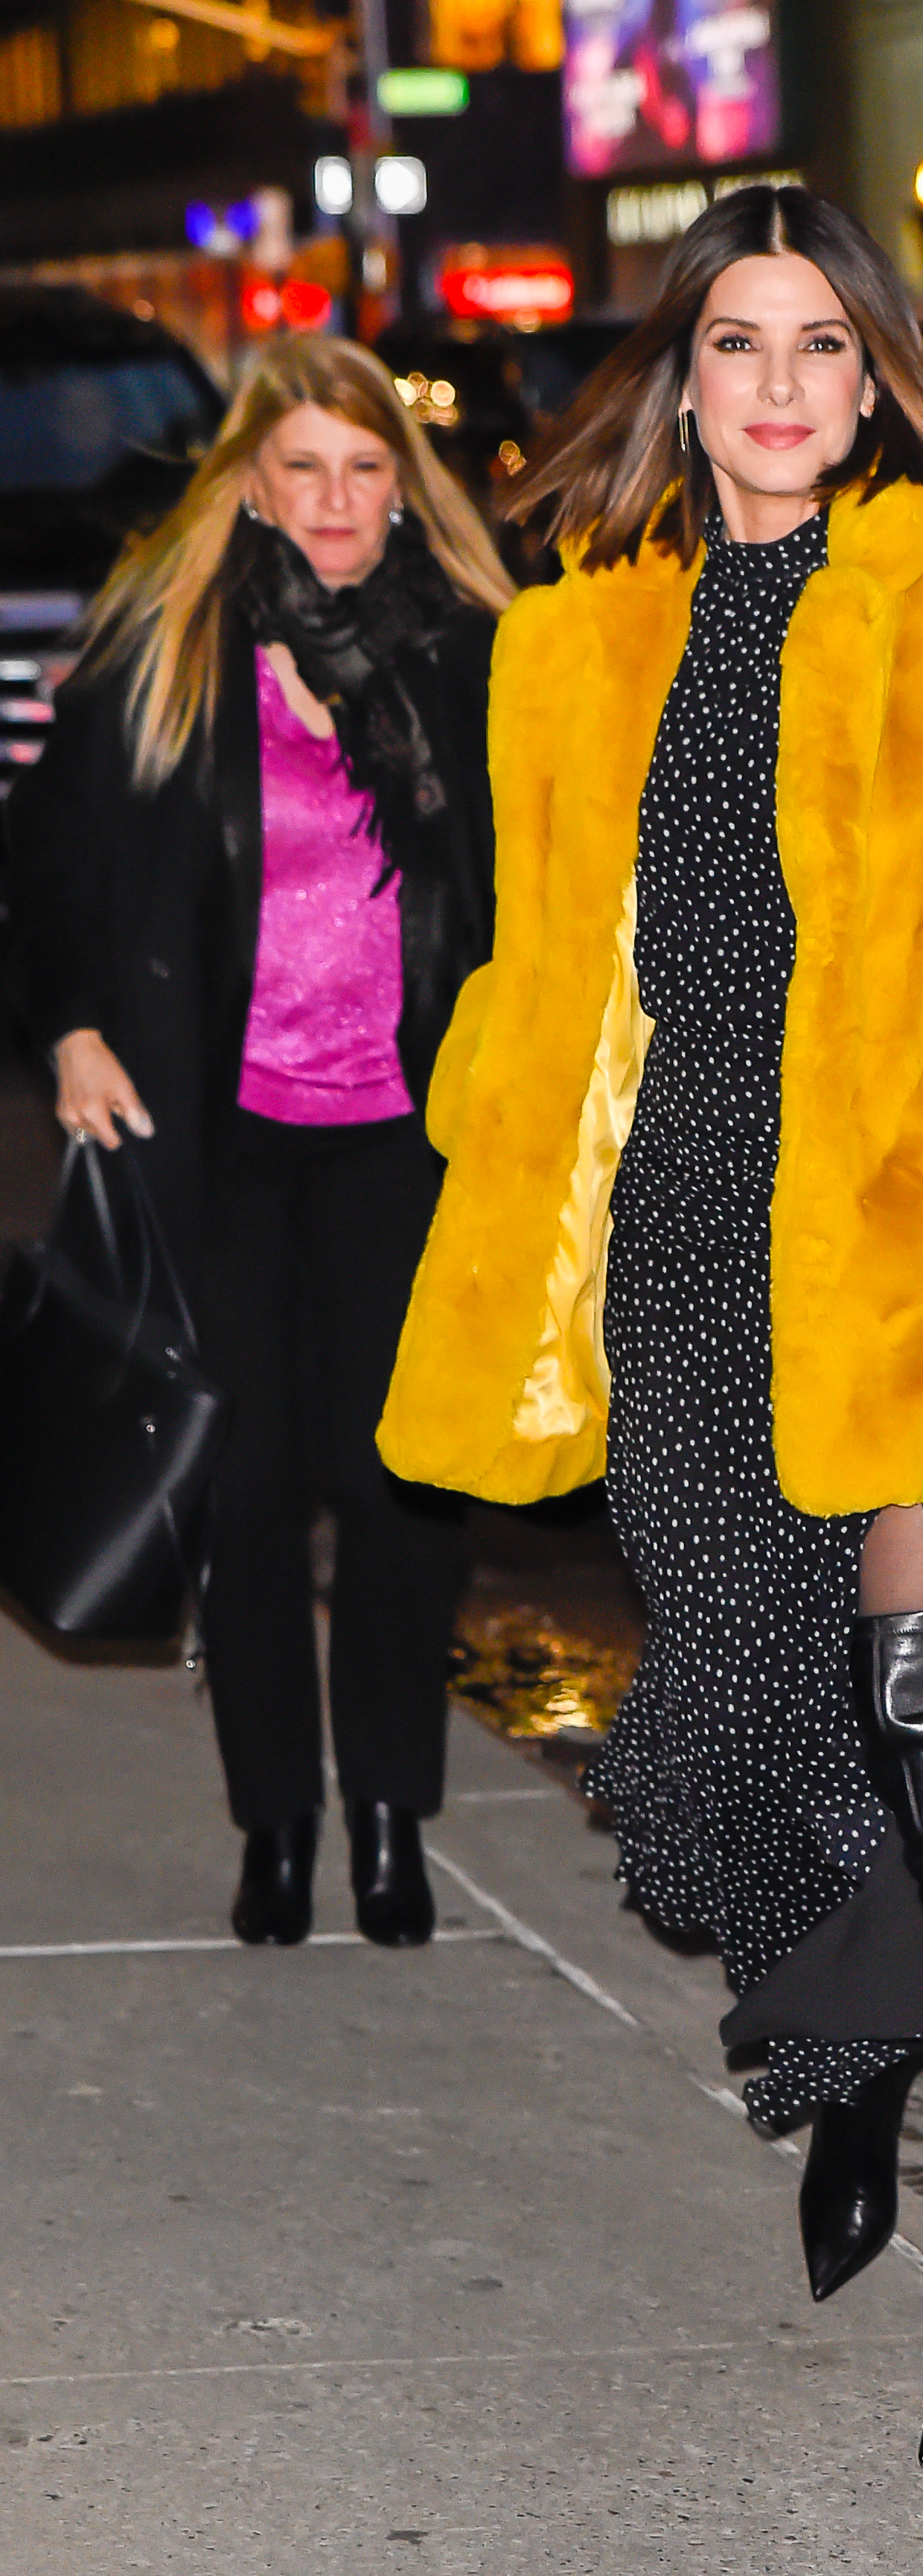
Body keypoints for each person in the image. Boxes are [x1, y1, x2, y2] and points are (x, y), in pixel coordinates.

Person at [377, 188, 923, 2464]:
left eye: (820, 349)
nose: (778, 386)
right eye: (739, 345)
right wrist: (490, 1113)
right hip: (685, 1231)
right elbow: (545, 955)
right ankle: (851, 2047)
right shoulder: (573, 636)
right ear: (683, 376)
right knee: (756, 1722)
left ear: (874, 382)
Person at [7, 336, 513, 1951]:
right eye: (303, 467)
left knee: (395, 1488)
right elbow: (51, 867)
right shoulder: (163, 648)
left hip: (402, 1137)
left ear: (403, 480)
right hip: (213, 1135)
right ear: (248, 480)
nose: (338, 500)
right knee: (242, 1484)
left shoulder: (471, 655)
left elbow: (547, 885)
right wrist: (72, 1020)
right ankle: (278, 1822)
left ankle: (387, 1817)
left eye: (365, 468)